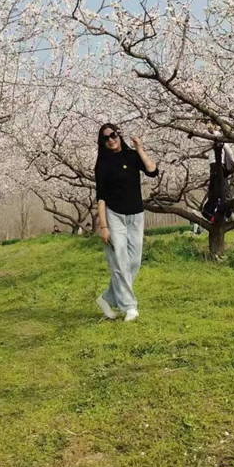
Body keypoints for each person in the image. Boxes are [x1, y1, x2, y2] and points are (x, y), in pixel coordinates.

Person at [95, 124, 158, 322]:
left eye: (113, 135)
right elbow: (101, 197)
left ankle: (107, 298)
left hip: (136, 215)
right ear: (102, 143)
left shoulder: (131, 156)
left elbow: (152, 170)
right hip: (114, 216)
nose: (110, 139)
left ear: (119, 135)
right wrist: (104, 227)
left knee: (134, 261)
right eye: (105, 138)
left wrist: (139, 148)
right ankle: (129, 306)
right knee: (120, 261)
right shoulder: (103, 164)